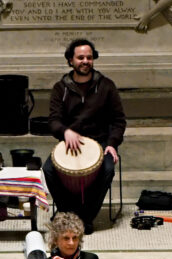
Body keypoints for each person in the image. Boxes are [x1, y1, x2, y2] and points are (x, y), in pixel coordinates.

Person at [43, 38, 126, 235]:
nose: (85, 61)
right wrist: (65, 131)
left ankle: (86, 218)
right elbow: (53, 121)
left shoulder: (106, 86)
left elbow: (118, 120)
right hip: (71, 143)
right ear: (70, 60)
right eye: (80, 57)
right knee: (48, 170)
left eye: (89, 57)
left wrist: (112, 144)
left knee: (107, 169)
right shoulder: (60, 88)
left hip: (100, 142)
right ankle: (68, 214)